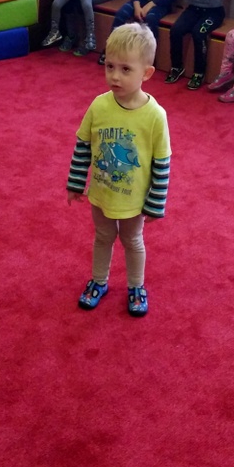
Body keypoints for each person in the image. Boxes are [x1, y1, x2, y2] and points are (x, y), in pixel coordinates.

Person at [66, 23, 171, 317]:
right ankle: (99, 281)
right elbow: (83, 146)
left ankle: (136, 286)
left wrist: (155, 203)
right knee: (102, 237)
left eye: (125, 69)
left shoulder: (155, 116)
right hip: (101, 193)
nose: (114, 76)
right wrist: (76, 183)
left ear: (146, 73)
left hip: (134, 201)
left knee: (132, 241)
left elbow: (162, 163)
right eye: (110, 66)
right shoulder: (99, 106)